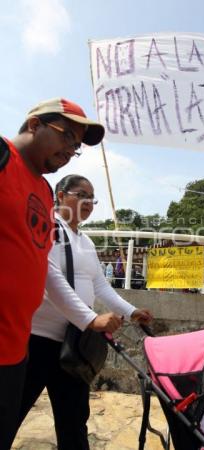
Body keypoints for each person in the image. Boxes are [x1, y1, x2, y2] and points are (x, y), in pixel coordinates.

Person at [15, 174, 153, 450]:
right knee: (9, 415)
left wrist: (131, 310)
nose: (88, 203)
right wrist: (91, 319)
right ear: (60, 195)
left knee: (74, 422)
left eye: (92, 198)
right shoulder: (48, 228)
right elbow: (49, 276)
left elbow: (100, 285)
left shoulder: (86, 242)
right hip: (38, 340)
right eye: (82, 195)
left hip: (73, 344)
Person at [0, 97, 105, 450]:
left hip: (15, 351)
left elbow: (40, 268)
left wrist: (94, 319)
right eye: (66, 137)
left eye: (76, 148)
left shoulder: (44, 192)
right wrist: (91, 318)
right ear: (34, 125)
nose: (70, 150)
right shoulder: (2, 158)